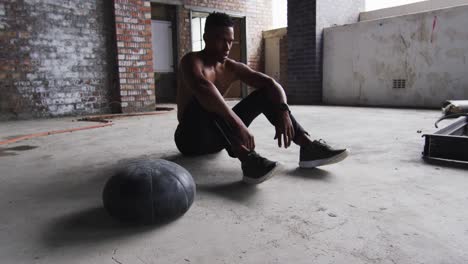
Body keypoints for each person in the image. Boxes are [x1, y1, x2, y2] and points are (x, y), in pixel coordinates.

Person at [174, 12, 348, 184]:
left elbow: (271, 84)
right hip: (190, 139)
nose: (227, 47)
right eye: (221, 40)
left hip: (216, 140)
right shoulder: (191, 61)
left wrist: (283, 111)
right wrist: (238, 124)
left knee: (266, 94)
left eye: (230, 41)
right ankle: (249, 161)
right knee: (207, 101)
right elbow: (203, 88)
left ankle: (307, 147)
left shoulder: (231, 67)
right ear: (206, 37)